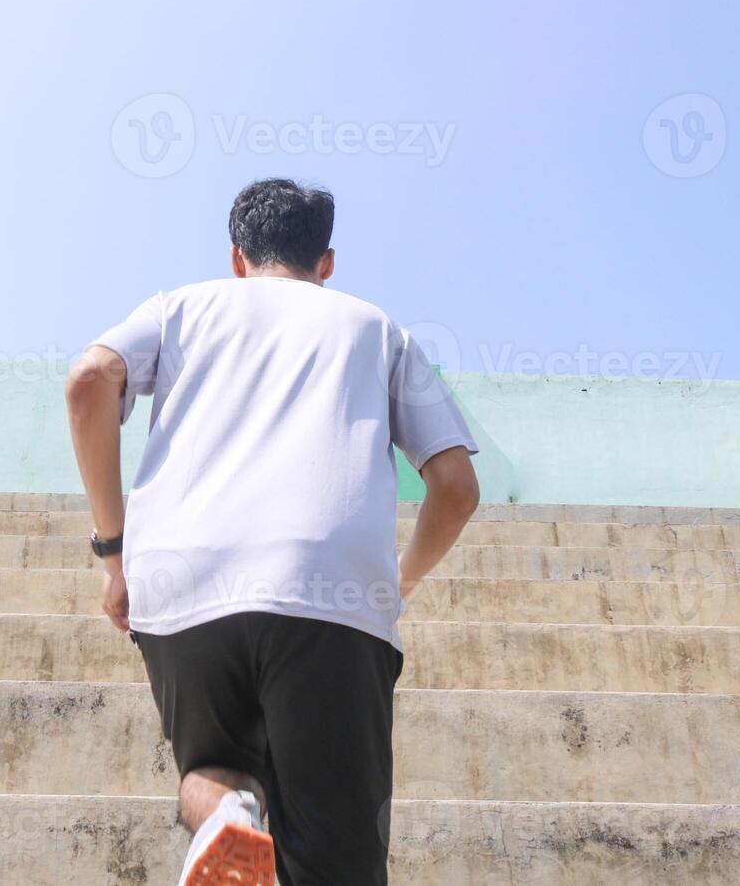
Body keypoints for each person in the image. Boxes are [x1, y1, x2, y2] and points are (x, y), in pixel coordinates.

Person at [65, 178, 480, 885]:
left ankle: (229, 811)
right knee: (337, 856)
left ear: (237, 257)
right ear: (326, 263)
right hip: (335, 595)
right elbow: (456, 489)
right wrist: (397, 579)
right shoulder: (377, 330)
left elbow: (90, 376)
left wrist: (114, 551)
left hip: (184, 584)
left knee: (209, 772)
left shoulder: (179, 308)